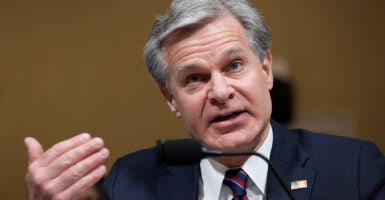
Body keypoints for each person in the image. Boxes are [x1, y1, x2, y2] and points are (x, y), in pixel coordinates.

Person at [24, 0, 385, 199]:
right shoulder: (130, 183)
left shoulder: (354, 170)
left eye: (234, 66)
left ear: (266, 69)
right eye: (194, 78)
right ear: (171, 97)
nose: (221, 92)